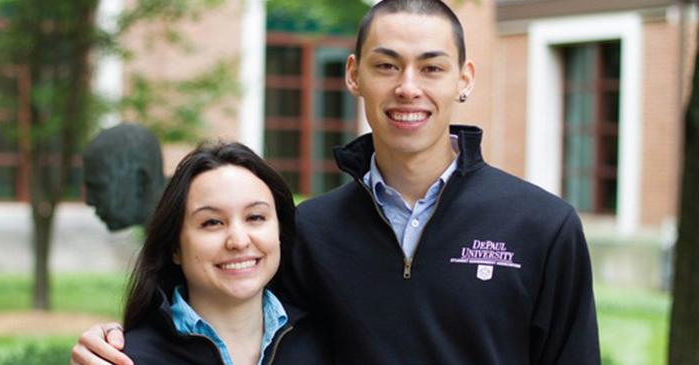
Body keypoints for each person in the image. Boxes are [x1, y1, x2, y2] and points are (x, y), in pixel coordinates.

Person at [71, 1, 601, 364]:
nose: (407, 88)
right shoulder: (308, 231)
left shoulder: (542, 226)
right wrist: (120, 344)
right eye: (386, 65)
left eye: (431, 68)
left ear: (464, 79)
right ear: (354, 75)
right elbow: (223, 314)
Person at [112, 142, 330, 365]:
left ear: (279, 233)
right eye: (212, 222)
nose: (238, 241)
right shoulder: (126, 359)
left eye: (255, 217)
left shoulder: (328, 346)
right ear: (174, 247)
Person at [83, 123, 166, 231]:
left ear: (140, 181)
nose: (89, 201)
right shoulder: (169, 231)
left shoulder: (184, 239)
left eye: (98, 188)